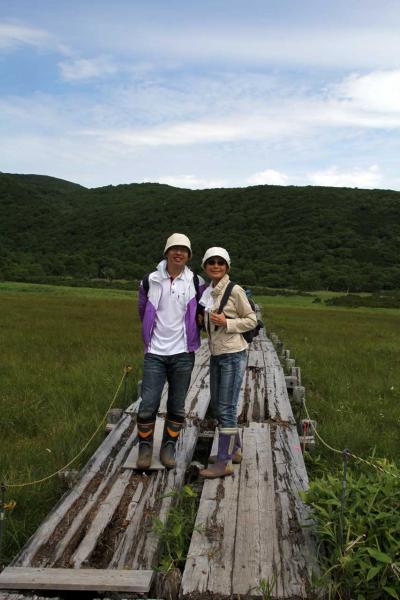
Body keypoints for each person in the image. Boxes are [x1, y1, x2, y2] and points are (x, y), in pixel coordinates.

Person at [137, 233, 205, 470]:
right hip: (155, 351)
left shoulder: (196, 282)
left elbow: (204, 311)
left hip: (183, 352)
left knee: (177, 405)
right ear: (166, 252)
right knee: (148, 403)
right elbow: (142, 310)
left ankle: (168, 447)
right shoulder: (150, 280)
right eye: (174, 249)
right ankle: (144, 448)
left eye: (183, 250)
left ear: (188, 256)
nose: (179, 253)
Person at [198, 247, 257, 479]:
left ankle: (224, 462)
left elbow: (252, 319)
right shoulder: (209, 292)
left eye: (220, 263)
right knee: (219, 404)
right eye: (211, 262)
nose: (215, 266)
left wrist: (227, 322)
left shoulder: (235, 290)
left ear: (227, 267)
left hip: (232, 353)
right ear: (205, 266)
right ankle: (234, 450)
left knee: (227, 407)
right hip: (216, 353)